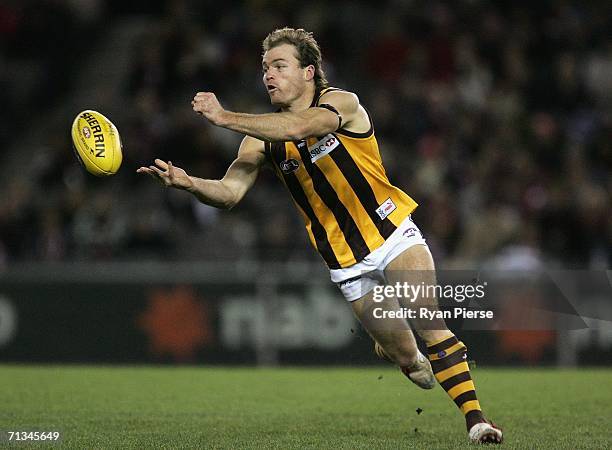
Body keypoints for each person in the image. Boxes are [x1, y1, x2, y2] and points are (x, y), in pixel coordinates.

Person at [138, 27, 502, 444]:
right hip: (345, 262)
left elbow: (299, 127)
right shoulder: (259, 142)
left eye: (279, 65)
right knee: (415, 367)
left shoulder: (341, 104)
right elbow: (229, 193)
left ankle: (477, 421)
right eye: (264, 68)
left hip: (392, 232)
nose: (267, 76)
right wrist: (189, 183)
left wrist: (224, 117)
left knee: (429, 320)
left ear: (309, 72)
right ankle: (400, 352)